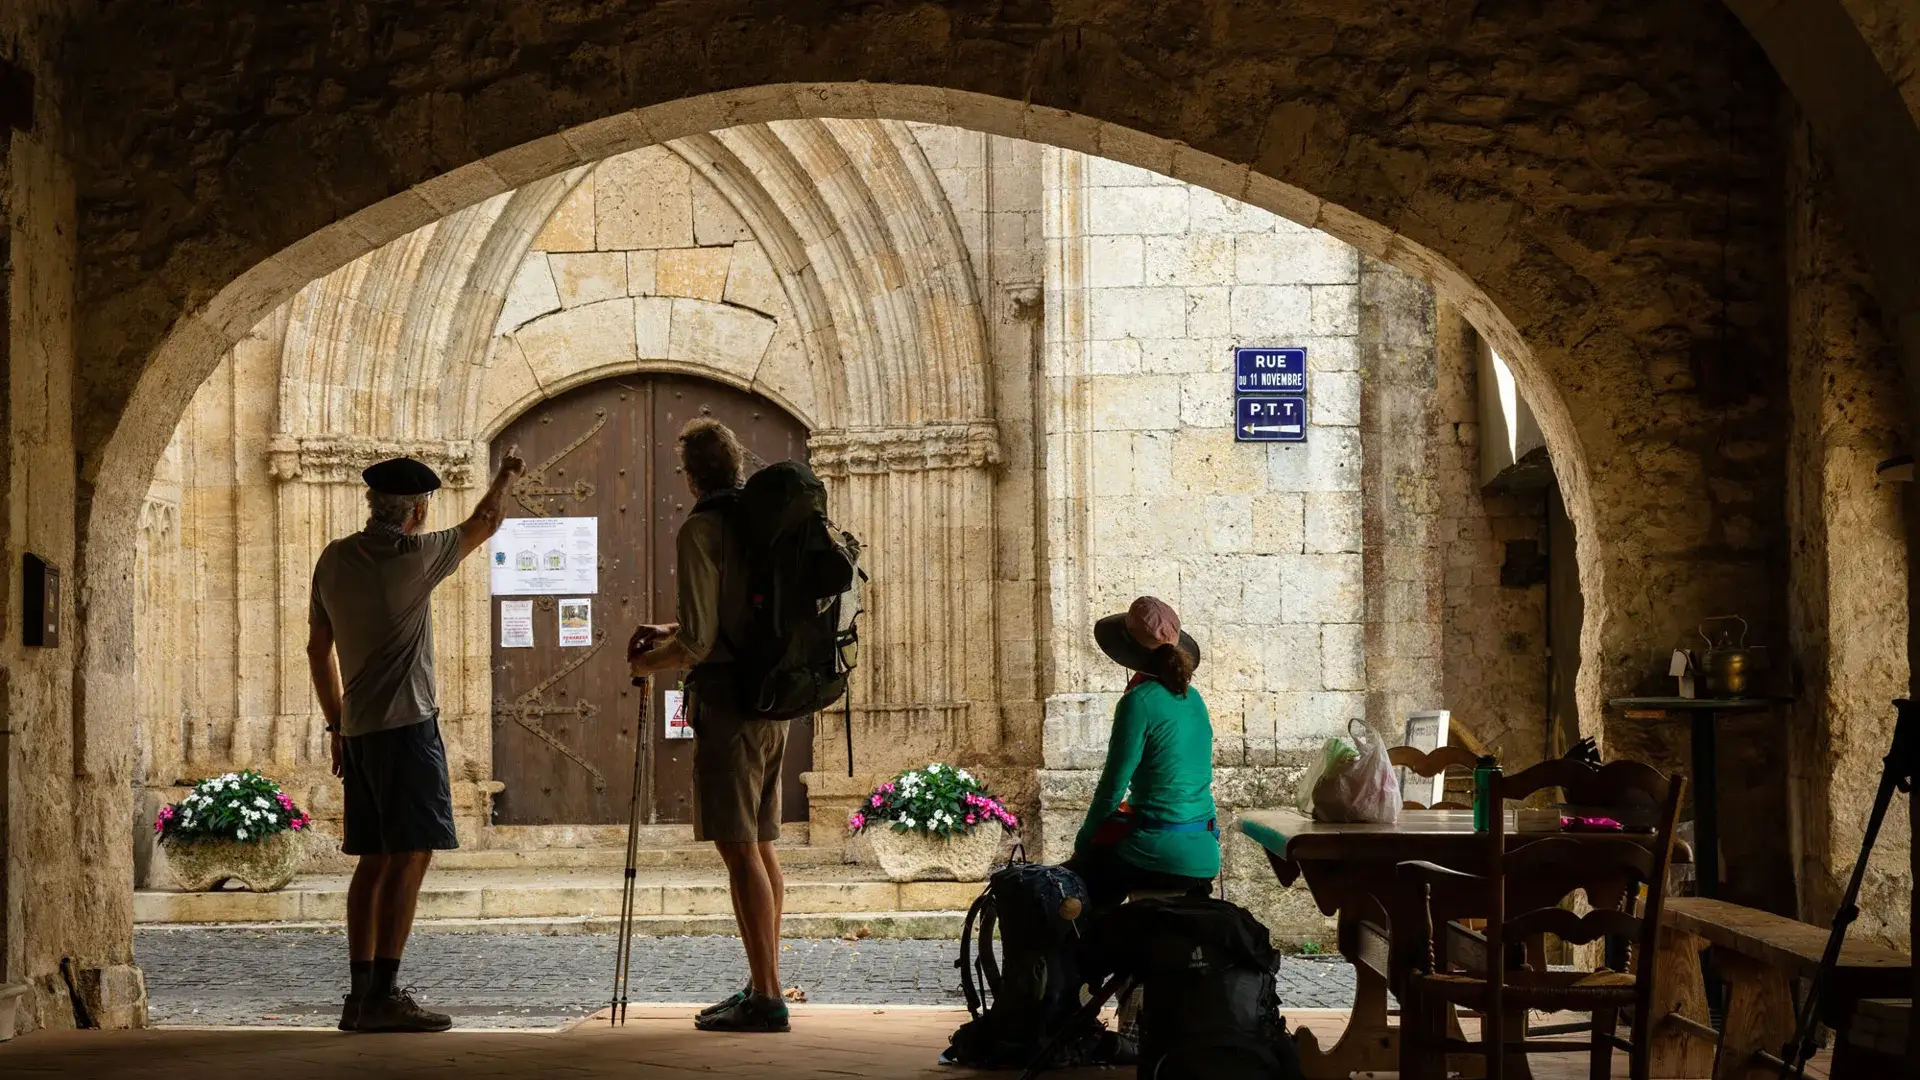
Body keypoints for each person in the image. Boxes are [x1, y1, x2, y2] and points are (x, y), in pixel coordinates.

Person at [308, 452, 522, 1033]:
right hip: (407, 729)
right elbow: (485, 521)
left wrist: (337, 726)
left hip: (358, 733)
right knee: (412, 853)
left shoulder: (333, 559)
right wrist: (506, 475)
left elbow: (315, 650)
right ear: (419, 511)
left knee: (373, 859)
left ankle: (358, 998)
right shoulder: (416, 557)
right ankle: (383, 992)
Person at [628, 419, 791, 1034]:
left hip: (729, 706)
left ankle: (767, 997)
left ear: (692, 475)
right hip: (774, 701)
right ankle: (762, 983)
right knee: (762, 846)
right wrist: (675, 634)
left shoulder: (702, 527)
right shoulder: (759, 522)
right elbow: (728, 623)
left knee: (740, 847)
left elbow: (699, 643)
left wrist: (651, 658)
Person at [1066, 596, 1219, 914]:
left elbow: (1112, 785)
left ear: (1128, 650)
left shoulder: (1138, 702)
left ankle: (1091, 959)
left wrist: (1083, 843)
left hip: (1157, 851)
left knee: (1077, 889)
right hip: (1205, 851)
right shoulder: (1195, 699)